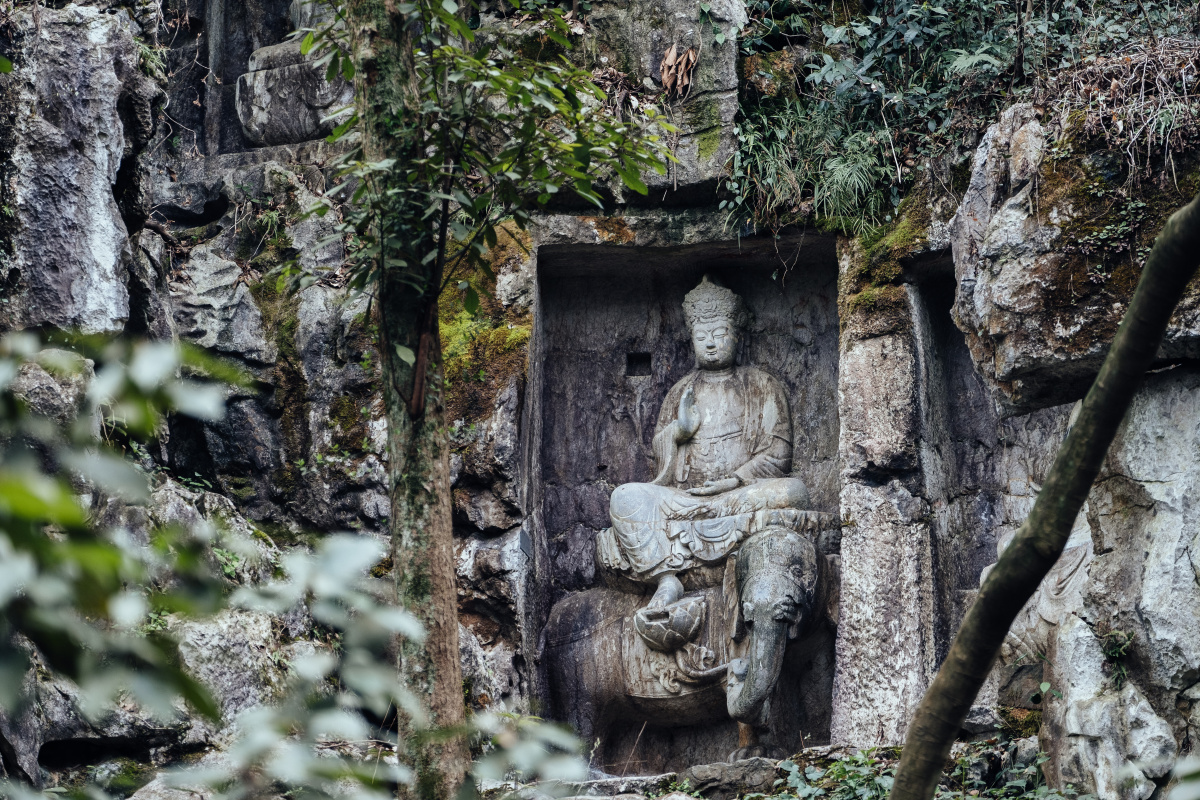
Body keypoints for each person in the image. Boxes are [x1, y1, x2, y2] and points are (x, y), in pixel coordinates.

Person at [597, 276, 810, 613]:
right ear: (692, 340)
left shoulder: (762, 385)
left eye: (720, 334)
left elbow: (778, 453)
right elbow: (660, 470)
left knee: (793, 491)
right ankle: (666, 578)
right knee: (625, 498)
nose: (711, 344)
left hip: (737, 497)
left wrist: (735, 480)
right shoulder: (681, 391)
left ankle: (673, 559)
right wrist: (677, 435)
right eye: (702, 336)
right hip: (687, 502)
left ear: (737, 337)